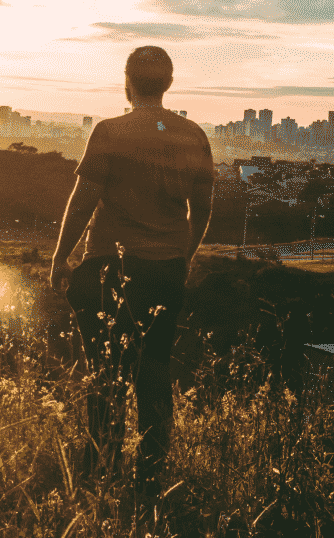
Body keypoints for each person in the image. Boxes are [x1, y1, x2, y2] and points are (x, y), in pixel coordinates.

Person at [49, 46, 215, 511]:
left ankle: (98, 475)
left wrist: (61, 257)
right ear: (169, 82)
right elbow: (201, 209)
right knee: (154, 370)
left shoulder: (110, 131)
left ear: (127, 82)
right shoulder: (192, 134)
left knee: (105, 372)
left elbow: (82, 201)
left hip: (109, 267)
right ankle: (151, 478)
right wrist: (184, 255)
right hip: (164, 271)